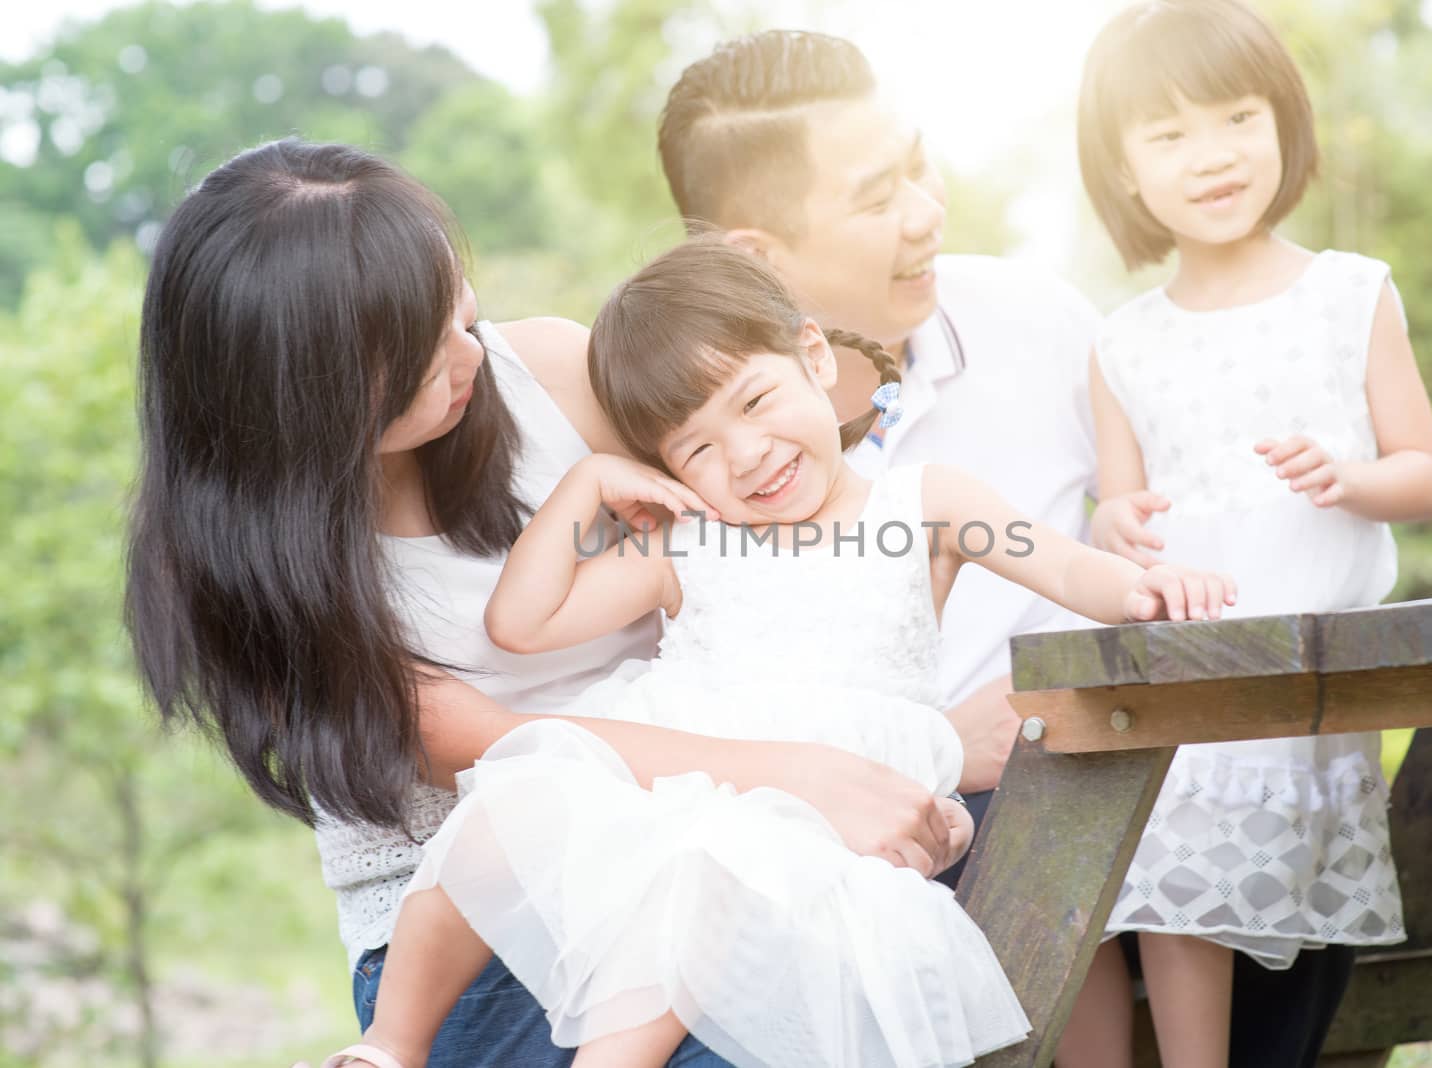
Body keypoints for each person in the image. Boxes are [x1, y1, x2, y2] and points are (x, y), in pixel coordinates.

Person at [125, 138, 974, 1068]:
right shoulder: (258, 577)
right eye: (421, 350)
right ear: (305, 393)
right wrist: (795, 773)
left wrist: (907, 732)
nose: (467, 356)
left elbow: (762, 557)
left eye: (463, 311)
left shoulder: (554, 376)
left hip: (720, 831)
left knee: (926, 948)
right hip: (479, 920)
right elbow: (496, 745)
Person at [333, 238, 1235, 1068]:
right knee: (509, 804)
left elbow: (1069, 568)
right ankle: (392, 1046)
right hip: (675, 789)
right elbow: (521, 623)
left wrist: (1142, 593)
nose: (749, 456)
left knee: (706, 904)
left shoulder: (922, 503)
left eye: (757, 403)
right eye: (699, 449)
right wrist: (587, 483)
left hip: (817, 820)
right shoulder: (689, 542)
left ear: (814, 357)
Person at [1063, 3, 1432, 1067]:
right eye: (1169, 134)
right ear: (1124, 170)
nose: (1213, 155)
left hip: (1315, 673)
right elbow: (1120, 520)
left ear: (1283, 123)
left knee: (1276, 924)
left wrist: (1351, 477)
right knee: (1177, 885)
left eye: (1235, 117)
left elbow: (1424, 475)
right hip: (1190, 672)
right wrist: (1112, 521)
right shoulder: (1124, 342)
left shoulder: (1348, 293)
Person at [657, 32, 1105, 863]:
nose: (928, 212)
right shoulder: (697, 447)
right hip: (823, 848)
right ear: (755, 256)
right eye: (876, 200)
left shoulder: (1041, 323)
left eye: (918, 165)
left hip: (1085, 796)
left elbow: (1160, 530)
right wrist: (930, 742)